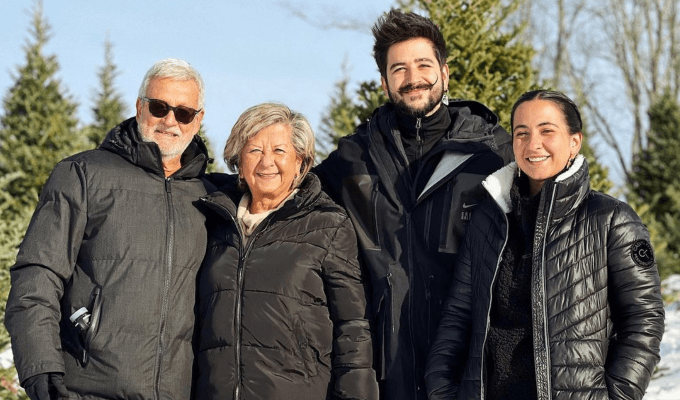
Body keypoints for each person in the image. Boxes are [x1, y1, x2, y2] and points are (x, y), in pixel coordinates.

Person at [313, 9, 513, 400]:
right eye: (399, 69)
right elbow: (283, 195)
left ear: (445, 71)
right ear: (385, 81)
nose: (413, 78)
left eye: (423, 64)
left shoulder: (493, 153)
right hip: (386, 369)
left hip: (468, 366)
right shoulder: (354, 159)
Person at [425, 90, 665, 400]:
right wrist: (442, 390)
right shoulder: (489, 220)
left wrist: (617, 395)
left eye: (547, 131)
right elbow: (458, 316)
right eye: (521, 133)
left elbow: (644, 320)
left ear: (574, 141)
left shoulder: (611, 219)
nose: (532, 144)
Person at [5, 58, 214, 399]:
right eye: (159, 107)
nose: (169, 121)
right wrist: (41, 368)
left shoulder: (210, 196)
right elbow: (37, 275)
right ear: (139, 106)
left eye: (183, 112)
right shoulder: (83, 174)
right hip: (86, 387)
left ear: (198, 119)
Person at [194, 103, 378, 400]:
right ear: (238, 161)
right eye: (254, 151)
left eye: (279, 151)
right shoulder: (215, 222)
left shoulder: (327, 224)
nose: (267, 162)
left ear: (300, 163)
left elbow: (353, 326)